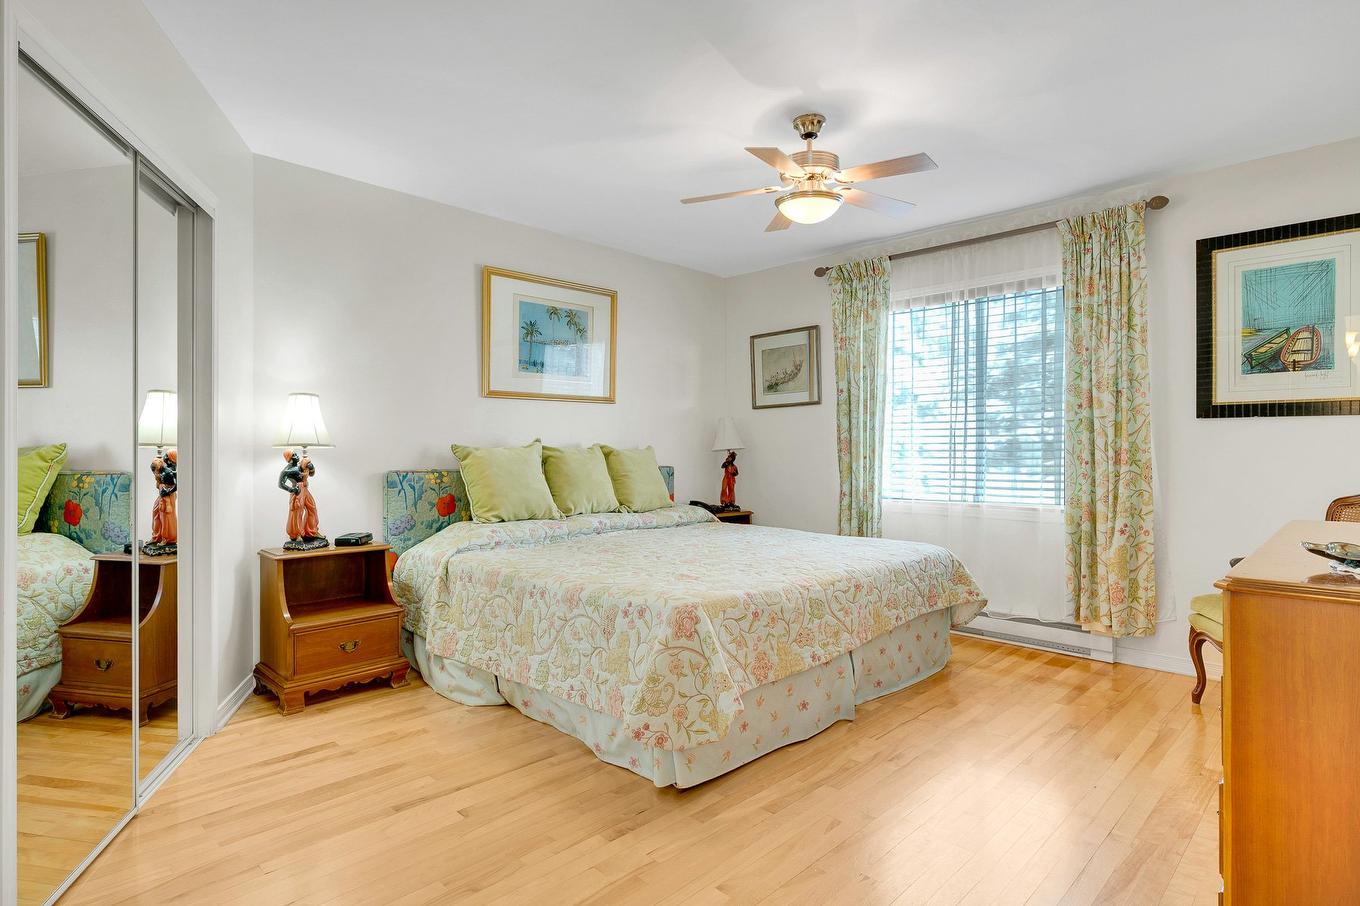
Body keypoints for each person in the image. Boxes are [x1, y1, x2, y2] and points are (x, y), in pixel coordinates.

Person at [279, 448, 325, 546]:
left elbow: (311, 474)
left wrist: (311, 467)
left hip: (304, 488)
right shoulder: (287, 470)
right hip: (297, 490)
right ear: (289, 459)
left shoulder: (301, 465)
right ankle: (297, 534)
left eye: (295, 454)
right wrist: (291, 490)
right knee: (297, 512)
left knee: (312, 508)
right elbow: (281, 484)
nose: (296, 456)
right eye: (294, 455)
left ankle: (311, 531)